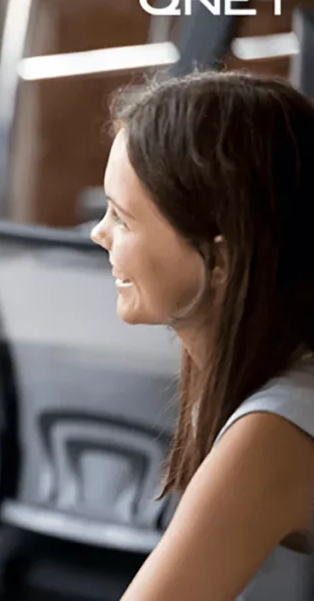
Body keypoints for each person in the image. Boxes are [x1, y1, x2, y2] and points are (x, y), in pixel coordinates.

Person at [89, 70, 314, 600]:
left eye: (122, 218)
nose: (99, 233)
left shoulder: (274, 431)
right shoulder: (258, 375)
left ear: (220, 259)